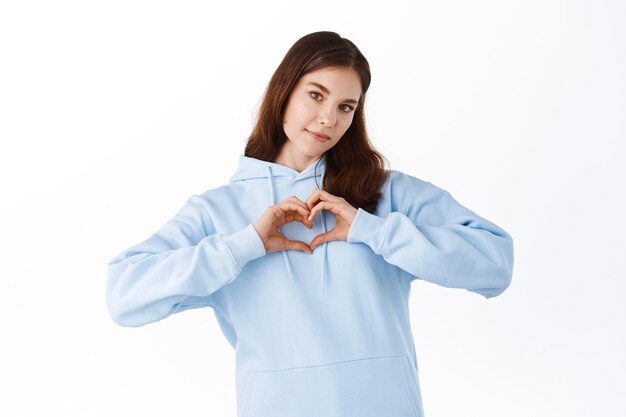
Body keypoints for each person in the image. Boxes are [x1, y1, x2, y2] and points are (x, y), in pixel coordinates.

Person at [106, 31, 514, 417]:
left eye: (345, 107)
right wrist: (243, 245)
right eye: (315, 95)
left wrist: (370, 230)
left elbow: (495, 264)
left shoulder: (384, 194)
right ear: (284, 92)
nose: (327, 119)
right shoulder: (218, 212)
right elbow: (124, 296)